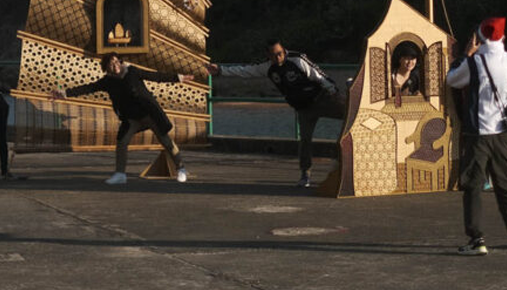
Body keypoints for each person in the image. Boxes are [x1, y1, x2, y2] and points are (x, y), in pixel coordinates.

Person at [445, 17, 507, 255]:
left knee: (473, 185)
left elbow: (452, 80)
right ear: (502, 36)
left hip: (478, 132)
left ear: (479, 37)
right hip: (503, 132)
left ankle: (477, 239)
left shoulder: (474, 62)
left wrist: (466, 54)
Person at [208, 39, 345, 187]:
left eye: (280, 53)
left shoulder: (297, 59)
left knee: (351, 116)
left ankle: (347, 159)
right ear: (268, 56)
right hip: (304, 109)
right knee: (305, 141)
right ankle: (305, 174)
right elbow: (245, 71)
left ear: (284, 50)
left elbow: (317, 74)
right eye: (274, 55)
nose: (278, 58)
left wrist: (333, 90)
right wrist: (220, 70)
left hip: (322, 100)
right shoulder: (267, 67)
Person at [52, 53, 192, 185]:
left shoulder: (132, 72)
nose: (115, 65)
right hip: (131, 119)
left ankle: (181, 169)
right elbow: (88, 88)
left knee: (166, 141)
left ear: (120, 61)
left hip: (150, 114)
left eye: (116, 61)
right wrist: (64, 93)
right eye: (111, 63)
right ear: (106, 67)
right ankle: (120, 174)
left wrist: (177, 78)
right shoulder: (108, 81)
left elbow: (155, 76)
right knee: (122, 142)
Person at [391, 42, 422, 107]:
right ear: (400, 59)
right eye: (407, 58)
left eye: (413, 59)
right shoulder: (391, 75)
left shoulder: (416, 77)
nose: (410, 62)